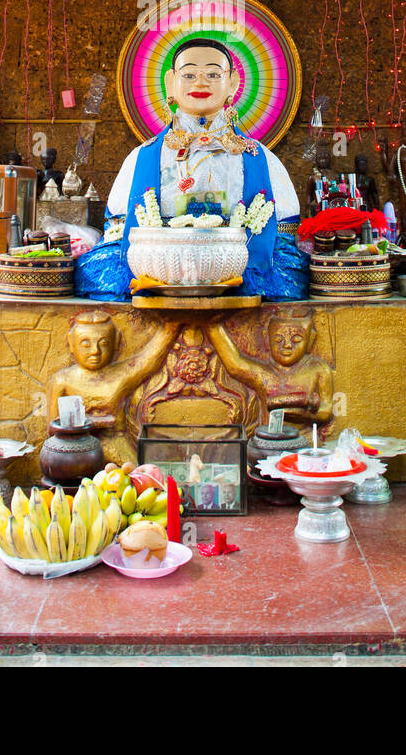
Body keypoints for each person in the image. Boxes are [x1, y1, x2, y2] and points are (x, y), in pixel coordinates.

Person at [74, 36, 307, 300]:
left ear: (232, 83)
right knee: (99, 272)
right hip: (160, 262)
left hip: (239, 262)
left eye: (212, 73)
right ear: (170, 83)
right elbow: (118, 232)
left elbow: (285, 235)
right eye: (189, 74)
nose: (200, 82)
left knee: (287, 274)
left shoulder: (260, 158)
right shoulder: (143, 157)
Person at [47, 310, 179, 467]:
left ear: (116, 342)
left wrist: (172, 326)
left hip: (115, 442)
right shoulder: (63, 380)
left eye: (103, 343)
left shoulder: (120, 374)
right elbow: (52, 427)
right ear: (71, 343)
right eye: (86, 344)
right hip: (76, 446)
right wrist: (94, 423)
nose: (95, 350)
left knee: (139, 474)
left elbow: (149, 360)